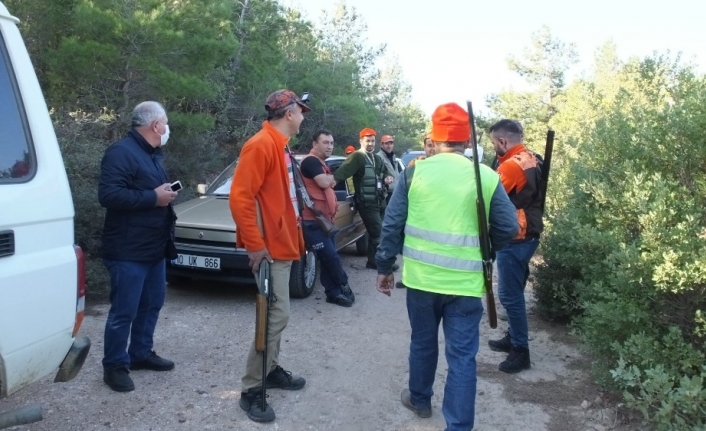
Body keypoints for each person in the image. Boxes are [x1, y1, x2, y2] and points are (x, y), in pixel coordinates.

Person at [375, 102, 518, 431]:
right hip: (467, 285)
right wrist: (488, 249)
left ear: (434, 139)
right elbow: (508, 227)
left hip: (422, 282)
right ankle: (458, 426)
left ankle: (420, 400)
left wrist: (385, 267)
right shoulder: (485, 176)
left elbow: (392, 224)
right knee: (463, 357)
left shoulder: (415, 171)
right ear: (467, 141)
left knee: (423, 343)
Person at [229, 89, 309, 422]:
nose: (304, 117)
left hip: (283, 246)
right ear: (289, 113)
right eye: (301, 111)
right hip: (269, 251)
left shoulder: (280, 147)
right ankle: (251, 390)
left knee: (276, 316)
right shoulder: (260, 145)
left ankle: (271, 370)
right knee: (273, 317)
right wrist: (255, 244)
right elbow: (240, 199)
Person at [98, 101, 178, 393]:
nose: (168, 128)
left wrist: (163, 194)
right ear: (156, 125)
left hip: (153, 248)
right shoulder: (121, 152)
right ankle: (115, 366)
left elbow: (149, 192)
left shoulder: (152, 154)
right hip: (127, 250)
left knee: (152, 304)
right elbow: (108, 195)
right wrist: (152, 198)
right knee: (124, 312)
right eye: (166, 122)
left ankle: (141, 354)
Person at [486, 119, 544, 374]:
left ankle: (520, 350)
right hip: (527, 233)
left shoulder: (510, 167)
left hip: (515, 237)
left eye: (493, 144)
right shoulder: (531, 157)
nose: (493, 149)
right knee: (515, 292)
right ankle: (513, 337)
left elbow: (488, 197)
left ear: (502, 141)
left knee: (510, 295)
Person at [299, 130, 355, 307]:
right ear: (315, 144)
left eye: (331, 143)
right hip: (313, 222)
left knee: (328, 258)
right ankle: (343, 285)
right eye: (325, 142)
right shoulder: (310, 161)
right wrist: (331, 179)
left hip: (326, 221)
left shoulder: (322, 164)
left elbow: (327, 181)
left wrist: (329, 179)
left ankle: (333, 294)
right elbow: (324, 183)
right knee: (331, 258)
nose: (329, 146)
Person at [333, 128, 396, 270]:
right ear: (361, 141)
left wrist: (387, 178)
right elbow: (340, 174)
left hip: (380, 201)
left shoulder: (377, 158)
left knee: (377, 234)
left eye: (373, 141)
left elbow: (384, 173)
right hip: (366, 203)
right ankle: (382, 263)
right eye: (367, 141)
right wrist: (328, 184)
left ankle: (373, 261)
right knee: (378, 232)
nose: (370, 144)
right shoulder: (357, 157)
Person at [377, 134, 402, 205]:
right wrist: (384, 182)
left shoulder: (393, 157)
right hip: (386, 195)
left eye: (391, 143)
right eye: (386, 143)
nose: (389, 146)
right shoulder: (378, 157)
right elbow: (376, 176)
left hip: (395, 193)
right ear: (382, 145)